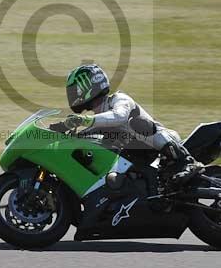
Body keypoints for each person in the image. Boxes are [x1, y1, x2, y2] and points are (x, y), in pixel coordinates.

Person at [63, 64, 202, 188]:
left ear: (88, 85)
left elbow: (119, 116)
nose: (73, 94)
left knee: (137, 123)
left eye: (76, 89)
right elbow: (88, 133)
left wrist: (84, 120)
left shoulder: (119, 99)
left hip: (161, 142)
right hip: (136, 154)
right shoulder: (98, 119)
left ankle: (187, 161)